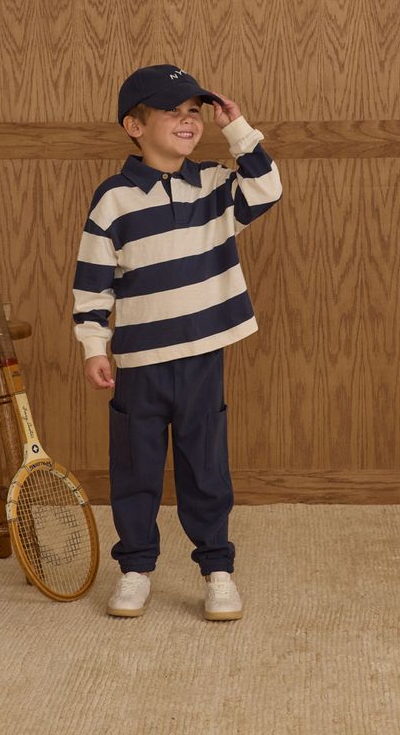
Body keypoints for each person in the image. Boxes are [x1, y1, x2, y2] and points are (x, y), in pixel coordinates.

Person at [72, 64, 282, 621]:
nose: (187, 120)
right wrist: (94, 345)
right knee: (136, 468)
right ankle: (136, 569)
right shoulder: (113, 200)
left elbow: (266, 188)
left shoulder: (214, 185)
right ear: (133, 125)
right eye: (172, 111)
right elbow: (93, 280)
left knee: (205, 465)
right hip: (139, 363)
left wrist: (238, 129)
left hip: (202, 354)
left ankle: (218, 569)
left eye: (194, 111)